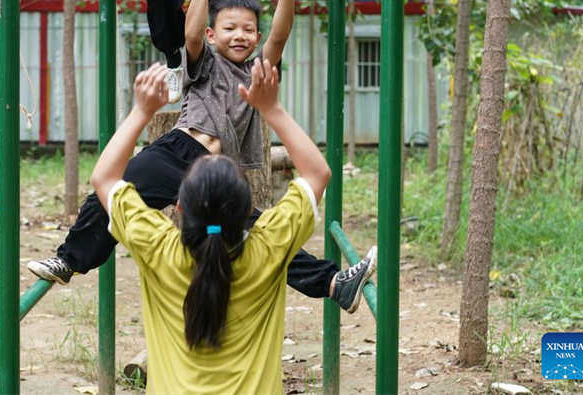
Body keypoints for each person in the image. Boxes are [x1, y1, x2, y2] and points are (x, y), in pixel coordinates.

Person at [28, 0, 373, 312]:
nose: (240, 35)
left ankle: (333, 283)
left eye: (249, 30)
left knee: (260, 236)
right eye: (230, 28)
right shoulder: (204, 62)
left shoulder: (257, 72)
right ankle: (68, 260)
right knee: (109, 194)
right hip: (175, 152)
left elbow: (279, 37)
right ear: (212, 34)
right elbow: (190, 36)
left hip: (216, 171)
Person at [91, 58, 376, 393]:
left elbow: (103, 177)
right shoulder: (269, 244)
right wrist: (272, 108)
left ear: (179, 207)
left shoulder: (155, 245)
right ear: (246, 212)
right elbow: (318, 173)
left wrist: (142, 111)